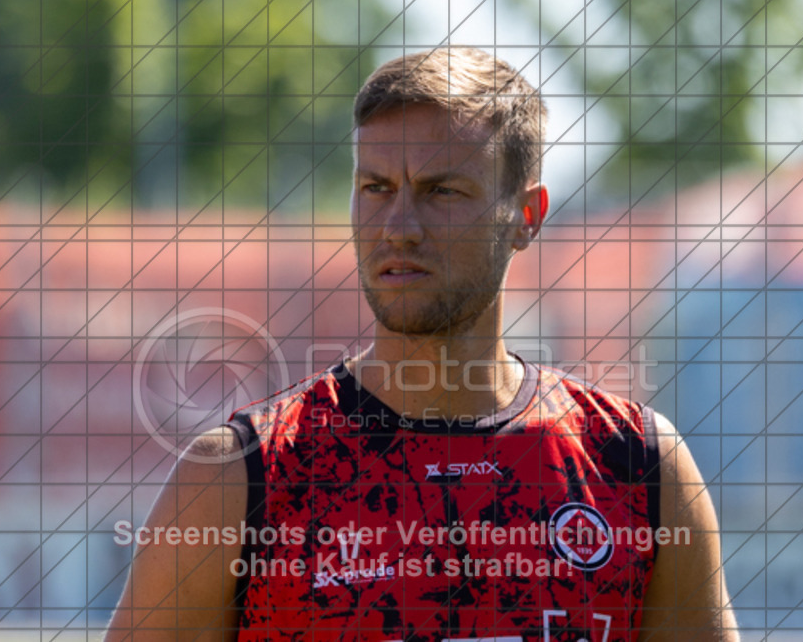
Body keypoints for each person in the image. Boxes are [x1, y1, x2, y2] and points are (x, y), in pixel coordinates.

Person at [105, 47, 739, 641]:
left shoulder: (636, 466)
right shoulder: (242, 475)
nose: (398, 227)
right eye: (376, 187)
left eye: (442, 191)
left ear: (526, 215)